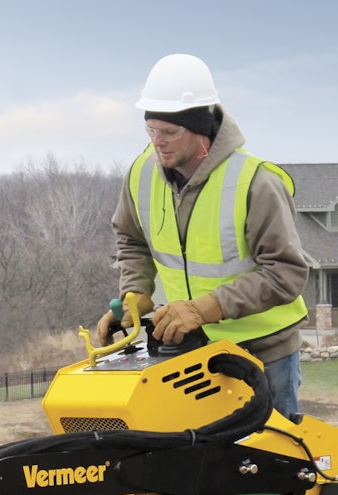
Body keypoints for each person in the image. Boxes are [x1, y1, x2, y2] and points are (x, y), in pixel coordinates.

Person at [96, 53, 310, 419]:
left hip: (264, 355)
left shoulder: (255, 183)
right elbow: (132, 241)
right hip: (192, 357)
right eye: (151, 130)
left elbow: (286, 274)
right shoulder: (141, 173)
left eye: (170, 132)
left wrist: (204, 309)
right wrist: (135, 295)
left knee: (271, 468)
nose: (157, 143)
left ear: (202, 130)